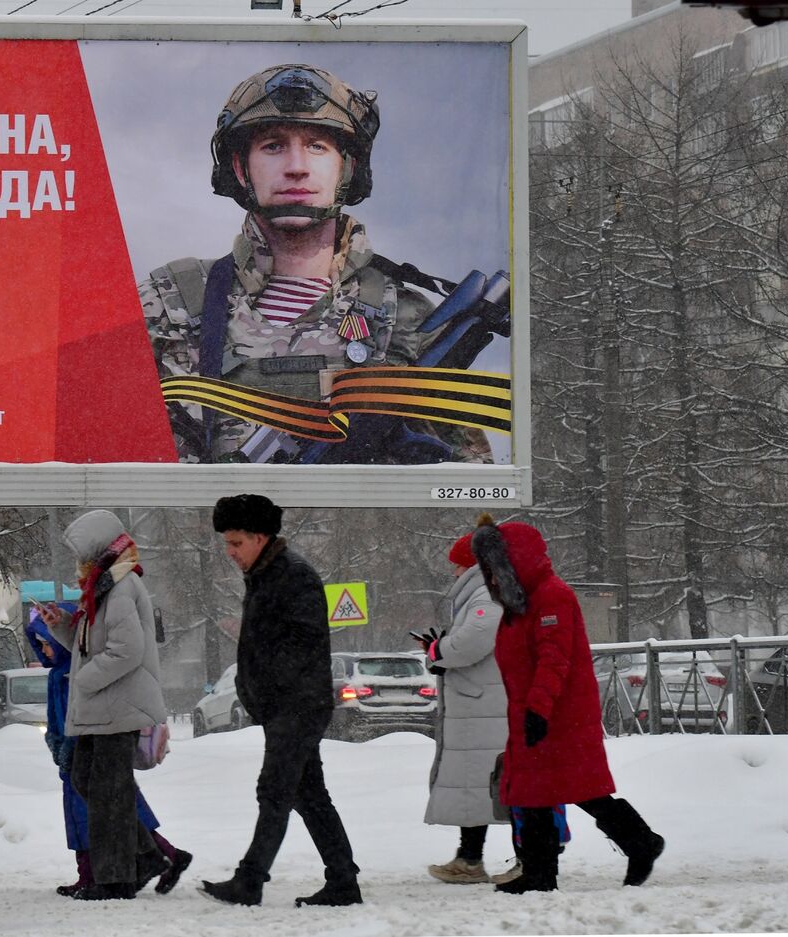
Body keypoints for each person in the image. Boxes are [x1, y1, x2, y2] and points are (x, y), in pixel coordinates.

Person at [140, 63, 509, 466]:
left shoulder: (408, 319)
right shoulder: (169, 303)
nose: (297, 165)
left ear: (346, 168)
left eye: (317, 145)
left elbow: (470, 484)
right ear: (239, 167)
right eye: (273, 146)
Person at [471, 514, 665, 894]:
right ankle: (540, 874)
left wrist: (538, 710)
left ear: (515, 564)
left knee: (580, 790)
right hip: (535, 712)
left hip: (560, 716)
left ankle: (641, 843)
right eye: (488, 571)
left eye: (496, 569)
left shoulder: (551, 596)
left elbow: (554, 658)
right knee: (532, 794)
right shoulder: (521, 603)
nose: (491, 579)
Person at [200, 494, 360, 908]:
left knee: (274, 791)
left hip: (297, 705)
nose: (229, 552)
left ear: (259, 537)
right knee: (309, 795)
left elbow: (304, 644)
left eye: (235, 543)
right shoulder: (268, 574)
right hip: (286, 705)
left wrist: (268, 682)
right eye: (227, 543)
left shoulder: (293, 575)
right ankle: (343, 880)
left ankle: (250, 880)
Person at [35, 510, 171, 900]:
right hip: (104, 707)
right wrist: (61, 623)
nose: (79, 564)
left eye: (82, 555)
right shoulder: (104, 587)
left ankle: (116, 879)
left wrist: (84, 680)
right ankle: (145, 857)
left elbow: (127, 650)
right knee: (86, 780)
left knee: (106, 791)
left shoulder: (122, 587)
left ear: (98, 551)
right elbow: (88, 642)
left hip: (118, 705)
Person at [24, 611, 192, 897]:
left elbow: (73, 716)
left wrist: (68, 745)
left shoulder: (69, 674)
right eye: (40, 643)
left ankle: (158, 857)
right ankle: (149, 859)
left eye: (48, 642)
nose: (45, 649)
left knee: (100, 813)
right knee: (96, 813)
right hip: (73, 752)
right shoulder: (58, 674)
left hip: (82, 749)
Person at [415, 532, 510, 885]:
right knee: (478, 786)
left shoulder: (485, 594)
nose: (452, 571)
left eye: (456, 564)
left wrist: (440, 650)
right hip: (476, 707)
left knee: (492, 784)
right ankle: (470, 858)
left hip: (481, 708)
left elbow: (475, 640)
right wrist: (439, 650)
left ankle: (525, 857)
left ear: (469, 566)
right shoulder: (481, 593)